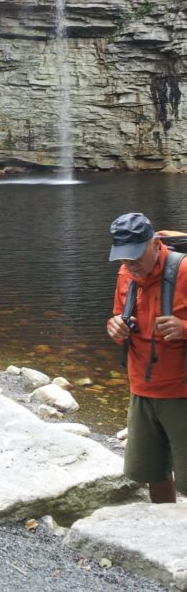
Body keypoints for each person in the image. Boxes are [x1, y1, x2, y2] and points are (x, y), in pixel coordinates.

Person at [107, 212, 187, 503]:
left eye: (135, 256)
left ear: (155, 244)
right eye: (124, 258)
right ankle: (164, 531)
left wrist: (183, 328)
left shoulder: (184, 271)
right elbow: (119, 316)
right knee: (152, 470)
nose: (130, 265)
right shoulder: (127, 272)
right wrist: (115, 326)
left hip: (182, 391)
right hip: (141, 387)